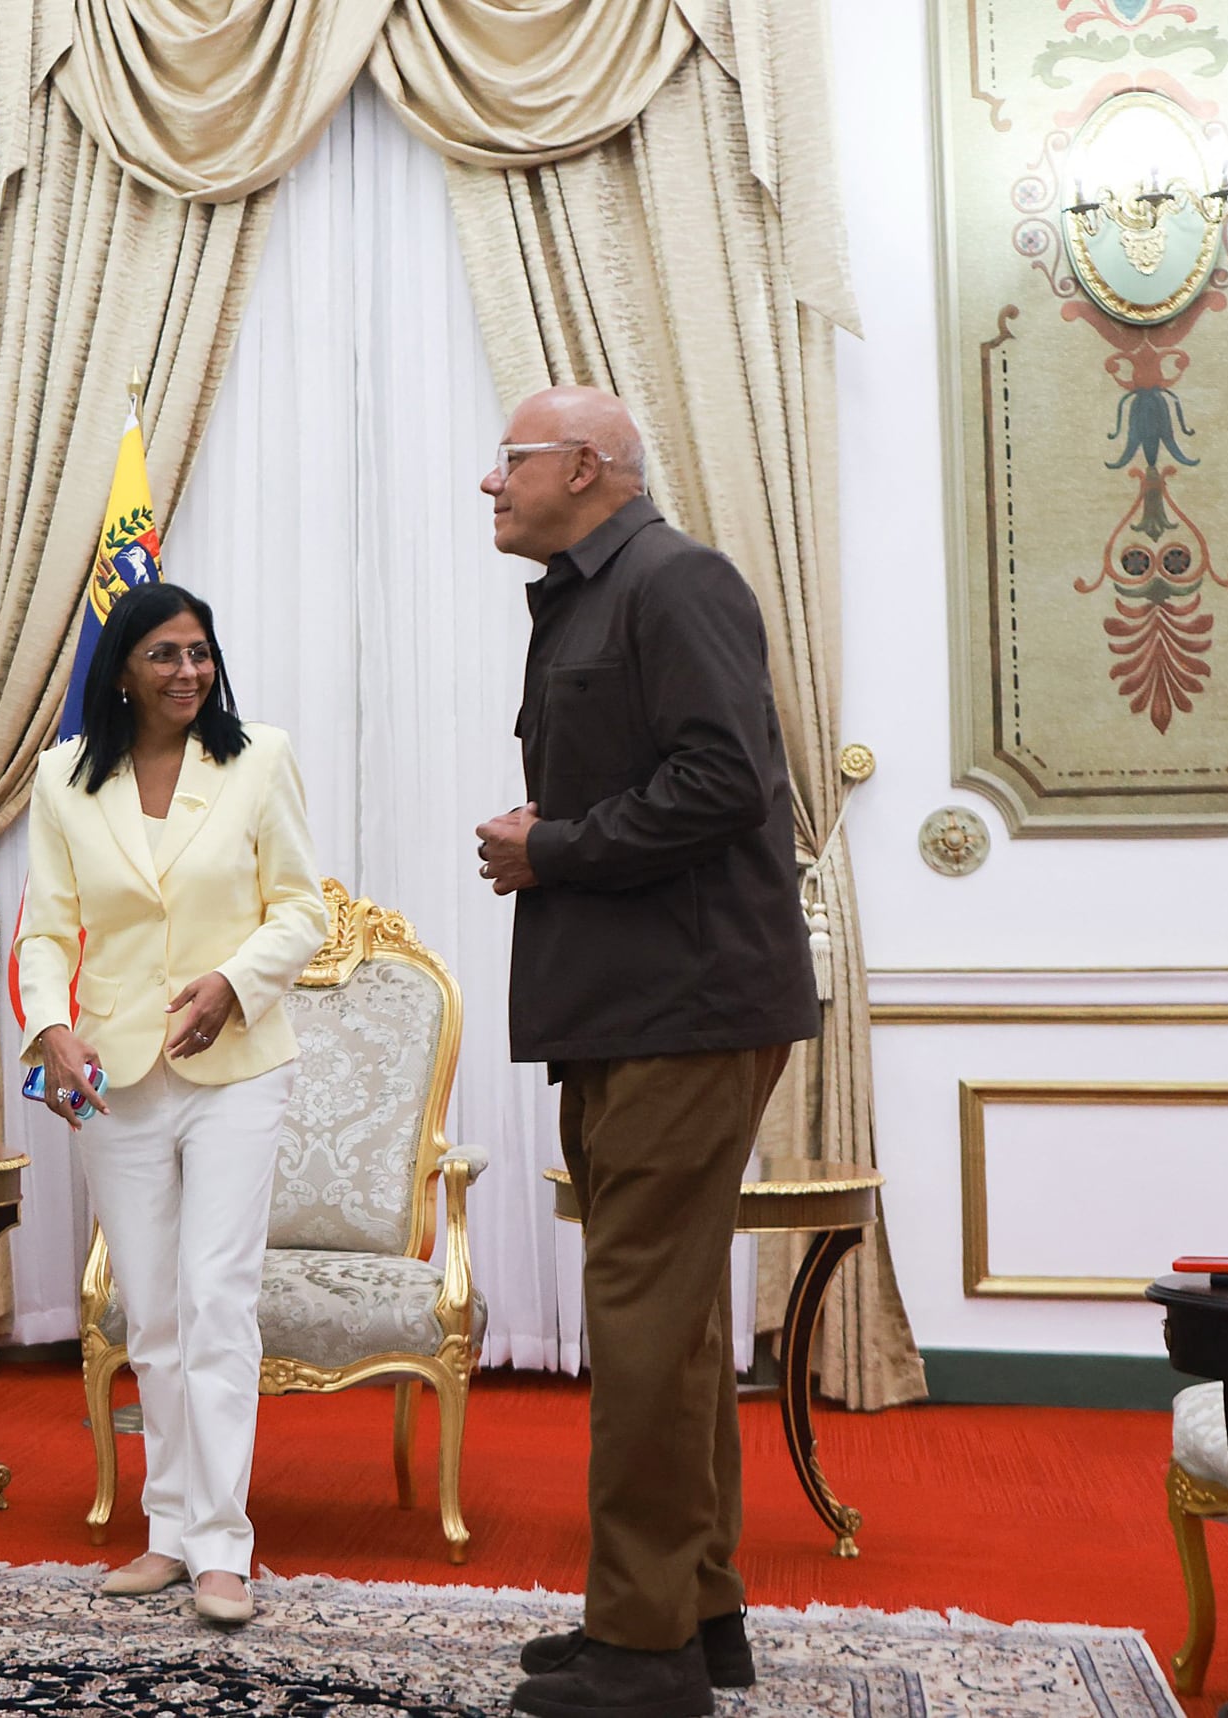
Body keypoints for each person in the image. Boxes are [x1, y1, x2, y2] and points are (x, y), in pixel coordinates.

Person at [474, 387, 819, 1718]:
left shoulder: (676, 581)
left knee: (633, 1326)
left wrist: (547, 846)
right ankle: (692, 1609)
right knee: (665, 1331)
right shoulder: (587, 594)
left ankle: (639, 1652)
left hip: (684, 1007)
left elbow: (726, 780)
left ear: (585, 466)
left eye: (509, 460)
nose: (488, 484)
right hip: (637, 1006)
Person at [16, 582, 328, 1628]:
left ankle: (223, 1548)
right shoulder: (63, 776)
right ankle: (167, 1532)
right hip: (111, 1070)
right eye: (164, 654)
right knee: (148, 1306)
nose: (188, 671)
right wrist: (50, 1026)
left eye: (200, 652)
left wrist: (234, 981)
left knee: (214, 1294)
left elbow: (302, 908)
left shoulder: (259, 758)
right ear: (122, 669)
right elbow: (48, 927)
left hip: (237, 1063)